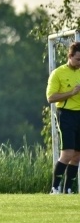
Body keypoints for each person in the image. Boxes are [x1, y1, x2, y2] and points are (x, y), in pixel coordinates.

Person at [45, 42, 80, 194]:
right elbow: (51, 97)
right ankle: (55, 188)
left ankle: (68, 190)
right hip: (66, 114)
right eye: (78, 59)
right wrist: (71, 93)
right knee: (67, 153)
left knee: (77, 155)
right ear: (70, 56)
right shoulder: (58, 73)